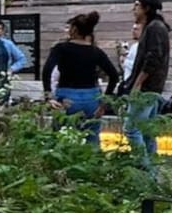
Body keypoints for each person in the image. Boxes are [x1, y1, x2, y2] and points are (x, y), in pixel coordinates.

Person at [42, 11, 120, 146]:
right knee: (92, 136)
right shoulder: (96, 51)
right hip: (92, 97)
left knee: (62, 136)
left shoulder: (60, 48)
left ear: (74, 29)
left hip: (66, 96)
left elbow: (47, 71)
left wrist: (49, 95)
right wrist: (104, 103)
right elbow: (114, 75)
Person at [123, 0, 170, 156]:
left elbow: (153, 58)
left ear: (147, 8)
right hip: (153, 88)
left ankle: (146, 169)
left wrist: (137, 83)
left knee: (131, 129)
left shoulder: (154, 28)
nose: (133, 9)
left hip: (146, 88)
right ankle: (152, 175)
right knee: (147, 132)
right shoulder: (156, 26)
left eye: (137, 5)